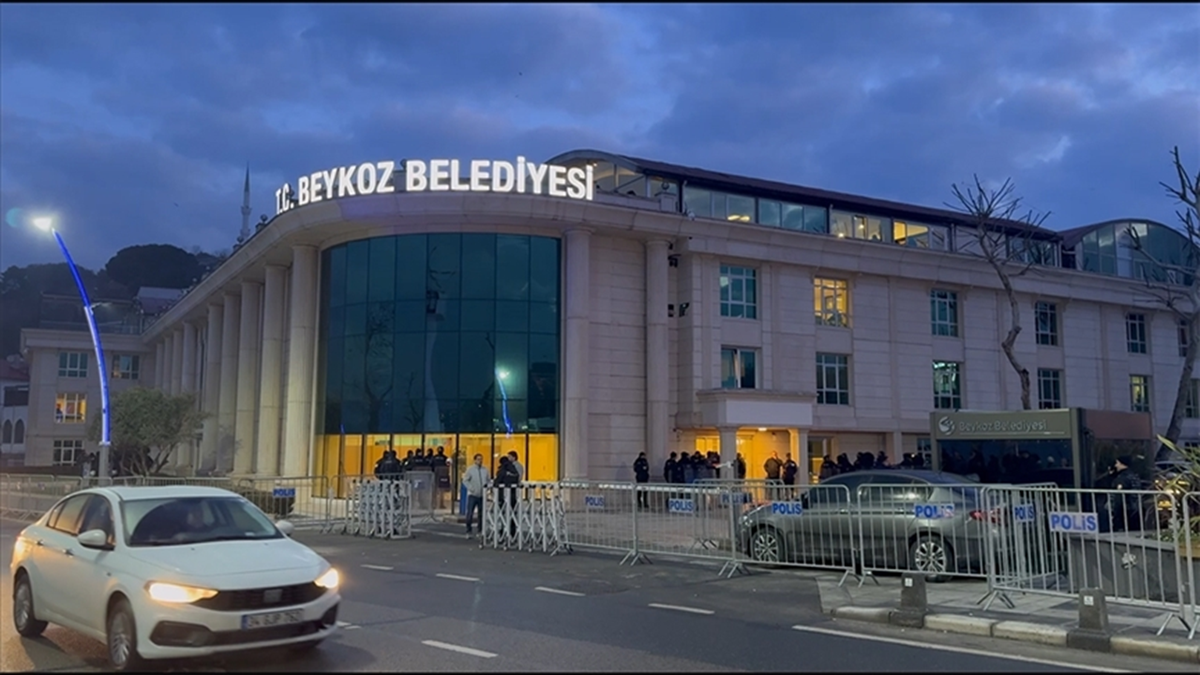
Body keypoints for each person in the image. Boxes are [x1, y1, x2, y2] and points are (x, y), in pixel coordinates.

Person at [462, 454, 489, 537]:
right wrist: (471, 488)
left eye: (481, 459)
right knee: (470, 513)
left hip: (482, 495)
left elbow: (488, 480)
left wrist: (487, 488)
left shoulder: (485, 470)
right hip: (473, 495)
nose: (480, 461)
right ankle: (468, 531)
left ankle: (479, 530)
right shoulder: (470, 469)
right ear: (475, 460)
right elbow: (465, 480)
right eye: (478, 459)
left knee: (481, 514)